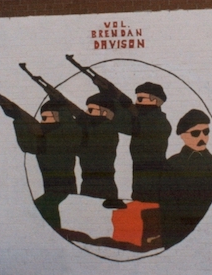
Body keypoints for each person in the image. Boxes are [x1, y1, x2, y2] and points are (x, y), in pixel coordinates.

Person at [12, 99, 82, 230]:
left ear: (59, 117)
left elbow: (29, 144)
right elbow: (29, 144)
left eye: (45, 118)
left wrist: (18, 120)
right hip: (59, 191)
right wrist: (18, 118)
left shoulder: (60, 137)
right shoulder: (63, 135)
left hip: (60, 192)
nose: (42, 122)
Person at [159, 109, 212, 249]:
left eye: (206, 132)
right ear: (183, 136)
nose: (202, 137)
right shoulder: (173, 165)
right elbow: (168, 210)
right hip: (181, 236)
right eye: (195, 133)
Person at [79, 92, 129, 209]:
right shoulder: (94, 128)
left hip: (101, 185)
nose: (87, 113)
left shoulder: (107, 129)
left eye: (90, 110)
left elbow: (86, 149)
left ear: (105, 112)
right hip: (91, 182)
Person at [128, 82, 171, 203]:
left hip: (152, 187)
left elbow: (123, 122)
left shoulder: (155, 122)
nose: (136, 103)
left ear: (155, 100)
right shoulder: (147, 120)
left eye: (140, 99)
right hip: (142, 183)